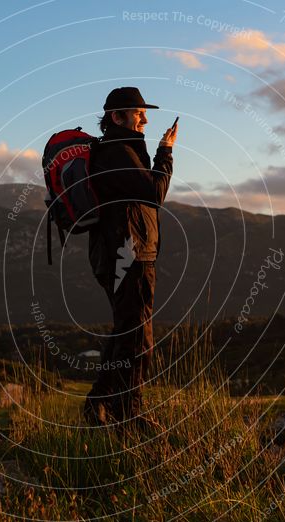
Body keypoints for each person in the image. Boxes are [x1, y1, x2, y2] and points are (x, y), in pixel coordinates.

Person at [83, 87, 177, 428]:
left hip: (129, 252)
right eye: (139, 113)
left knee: (127, 331)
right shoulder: (117, 152)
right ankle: (131, 413)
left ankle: (98, 405)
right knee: (138, 337)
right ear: (117, 117)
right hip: (126, 254)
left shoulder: (124, 151)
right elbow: (154, 193)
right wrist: (165, 153)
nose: (146, 119)